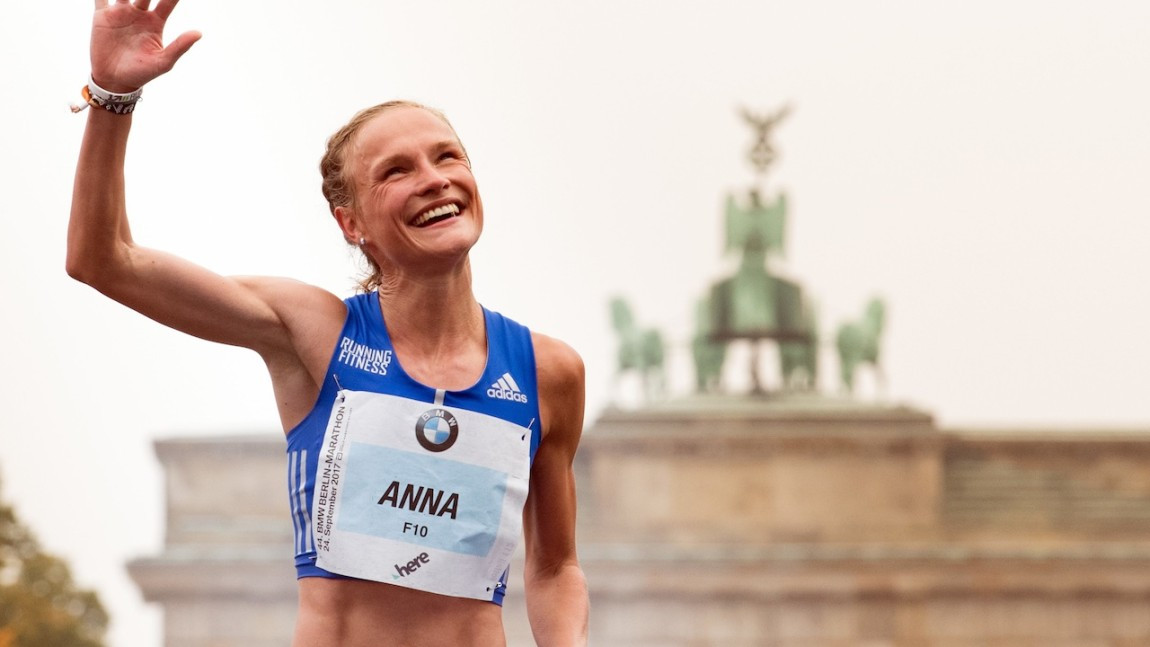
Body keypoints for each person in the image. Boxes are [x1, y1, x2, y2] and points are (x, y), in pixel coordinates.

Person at [67, 1, 589, 645]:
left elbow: (556, 566)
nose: (434, 180)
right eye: (396, 171)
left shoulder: (548, 372)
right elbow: (104, 261)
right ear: (352, 224)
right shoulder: (312, 331)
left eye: (448, 157)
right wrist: (112, 96)